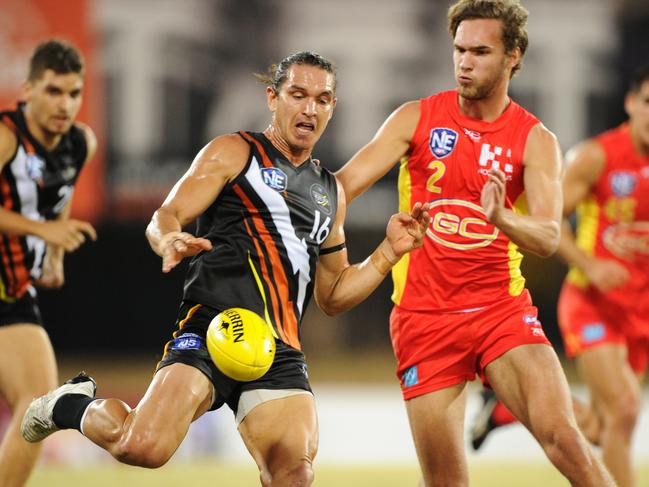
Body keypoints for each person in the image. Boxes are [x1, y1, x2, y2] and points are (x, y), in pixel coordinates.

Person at [20, 51, 430, 486]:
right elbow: (166, 214)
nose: (310, 108)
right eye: (298, 94)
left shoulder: (331, 193)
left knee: (294, 475)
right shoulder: (234, 152)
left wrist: (387, 253)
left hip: (278, 349)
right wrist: (169, 238)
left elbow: (332, 296)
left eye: (323, 99)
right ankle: (71, 403)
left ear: (332, 107)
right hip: (211, 329)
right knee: (141, 446)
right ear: (273, 98)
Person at [335, 1, 615, 485]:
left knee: (565, 440)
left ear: (514, 55)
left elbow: (549, 235)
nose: (465, 62)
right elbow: (341, 187)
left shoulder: (535, 140)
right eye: (459, 50)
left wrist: (502, 217)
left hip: (500, 312)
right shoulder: (415, 118)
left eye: (480, 51)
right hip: (424, 319)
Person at [471, 64, 649, 487]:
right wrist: (590, 265)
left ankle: (511, 404)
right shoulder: (596, 156)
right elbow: (548, 224)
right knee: (624, 409)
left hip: (640, 307)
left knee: (608, 427)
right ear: (630, 103)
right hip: (594, 303)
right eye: (648, 103)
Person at [0, 40, 97, 487]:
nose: (65, 104)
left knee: (36, 407)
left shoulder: (80, 142)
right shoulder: (6, 137)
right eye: (54, 91)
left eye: (74, 93)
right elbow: (47, 222)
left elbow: (59, 197)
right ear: (28, 90)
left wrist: (54, 255)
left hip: (14, 292)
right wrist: (44, 233)